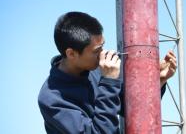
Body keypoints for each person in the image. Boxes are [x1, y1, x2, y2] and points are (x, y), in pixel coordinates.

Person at [38, 12, 177, 134]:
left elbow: (130, 107)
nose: (103, 54)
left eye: (102, 46)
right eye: (96, 50)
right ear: (71, 53)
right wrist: (109, 82)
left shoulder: (96, 68)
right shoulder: (51, 99)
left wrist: (158, 81)